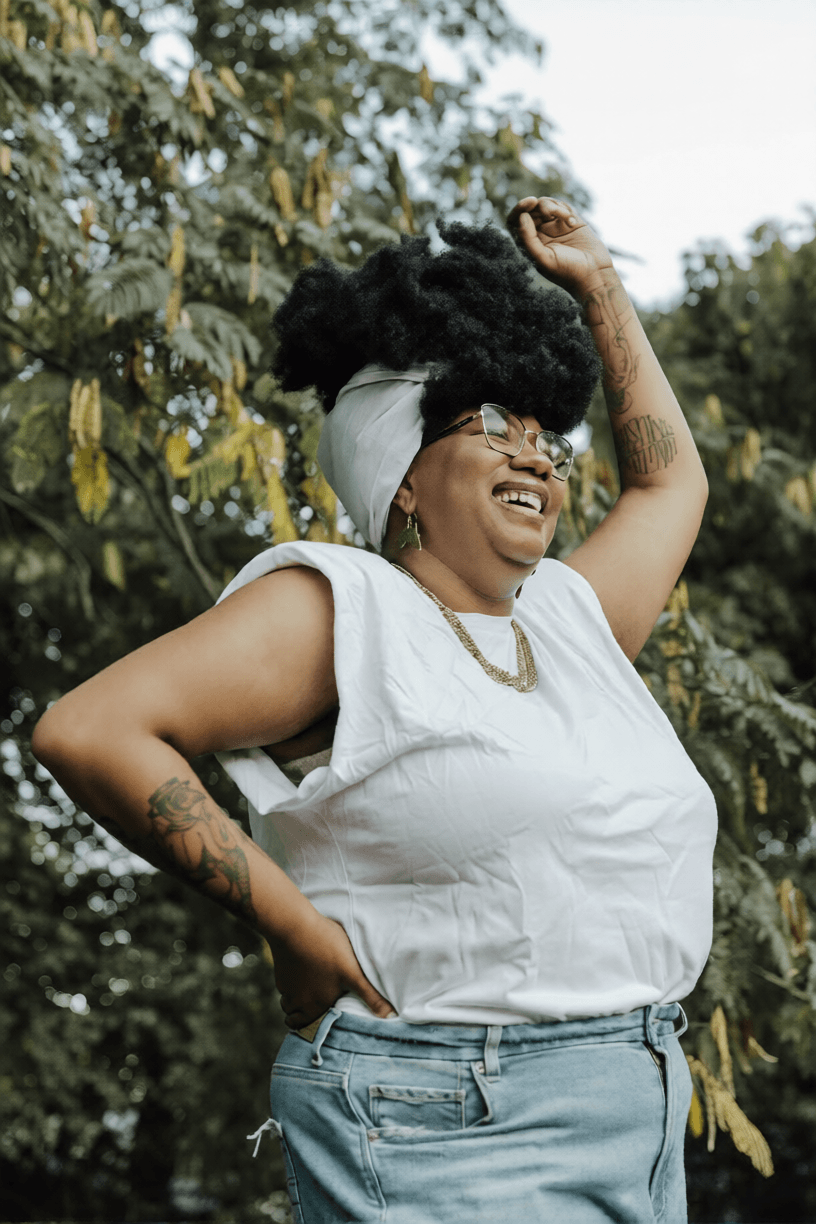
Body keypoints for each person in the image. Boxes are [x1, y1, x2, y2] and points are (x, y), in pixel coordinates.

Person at [32, 197, 717, 1224]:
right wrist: (291, 925)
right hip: (454, 1112)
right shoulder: (341, 608)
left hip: (642, 1098)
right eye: (495, 425)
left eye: (545, 434)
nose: (536, 455)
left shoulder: (569, 618)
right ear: (400, 474)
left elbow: (668, 485)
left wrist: (601, 290)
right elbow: (91, 730)